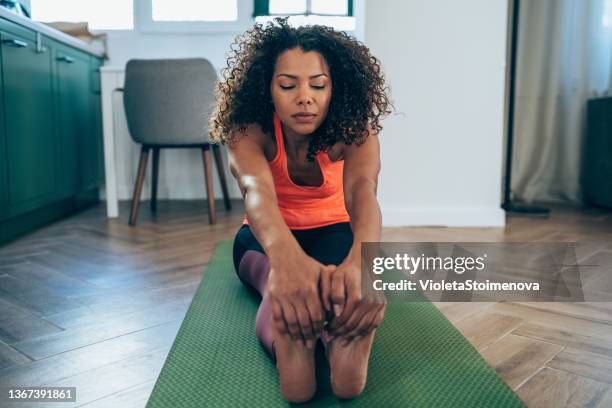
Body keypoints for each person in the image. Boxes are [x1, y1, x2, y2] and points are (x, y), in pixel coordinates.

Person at [209, 17, 391, 403]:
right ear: (267, 89)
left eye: (318, 85)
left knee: (341, 286)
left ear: (336, 89)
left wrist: (363, 263)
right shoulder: (248, 129)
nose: (304, 97)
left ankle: (341, 337)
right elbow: (255, 191)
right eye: (288, 85)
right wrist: (285, 263)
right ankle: (291, 337)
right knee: (277, 287)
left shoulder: (356, 129)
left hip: (334, 230)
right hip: (263, 239)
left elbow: (363, 192)